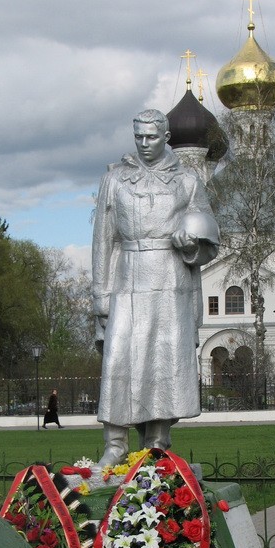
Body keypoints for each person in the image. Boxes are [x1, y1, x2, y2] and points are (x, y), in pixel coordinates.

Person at [92, 108, 220, 466]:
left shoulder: (188, 181)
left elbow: (208, 230)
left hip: (170, 276)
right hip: (127, 274)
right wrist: (100, 292)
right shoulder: (115, 179)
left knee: (165, 358)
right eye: (139, 137)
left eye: (151, 136)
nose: (145, 144)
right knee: (119, 357)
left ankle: (158, 441)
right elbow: (103, 239)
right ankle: (115, 443)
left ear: (165, 137)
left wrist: (191, 237)